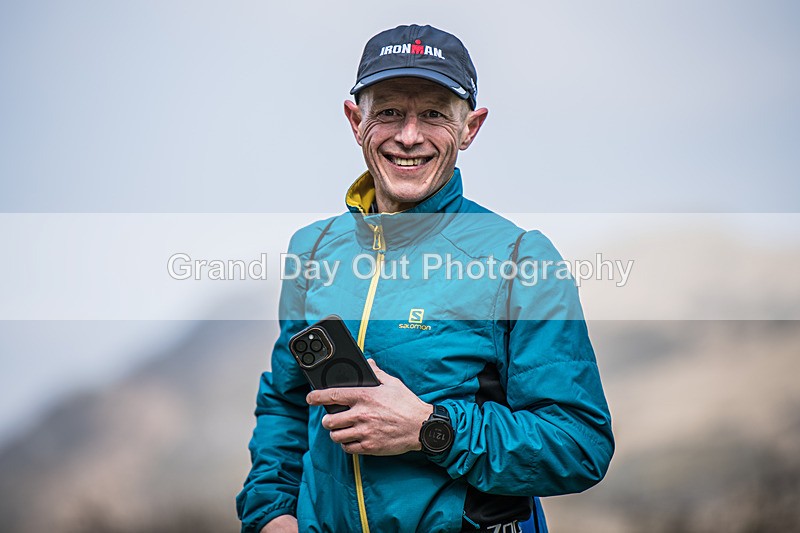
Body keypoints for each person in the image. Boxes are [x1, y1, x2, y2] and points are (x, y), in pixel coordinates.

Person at [237, 24, 614, 533]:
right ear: (356, 121)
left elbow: (579, 444)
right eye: (389, 111)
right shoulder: (314, 249)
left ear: (470, 128)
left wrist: (429, 429)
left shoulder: (521, 259)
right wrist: (271, 513)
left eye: (434, 114)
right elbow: (286, 403)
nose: (409, 136)